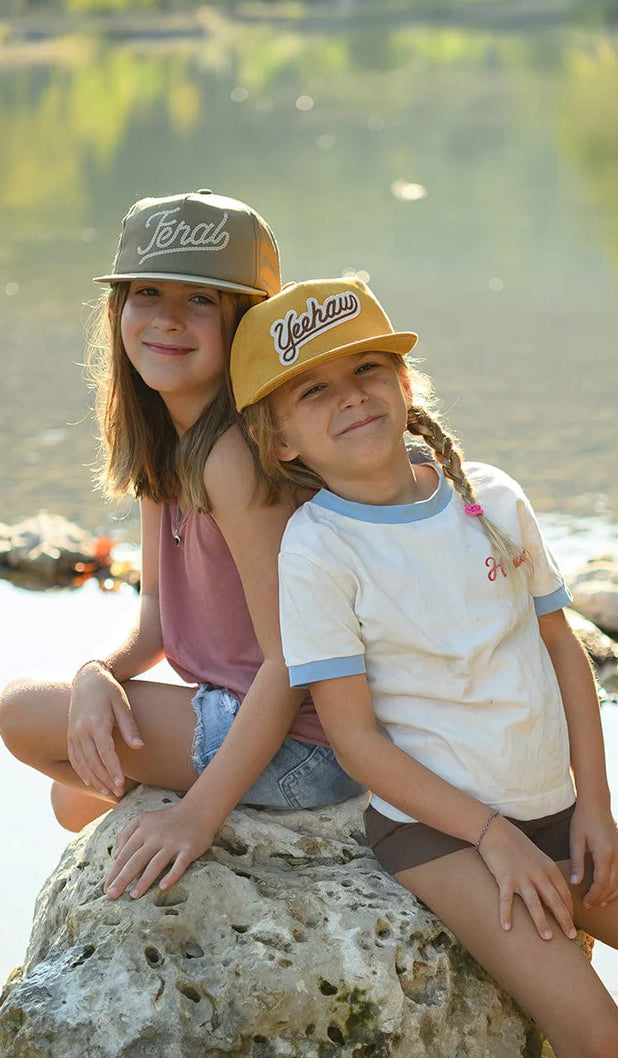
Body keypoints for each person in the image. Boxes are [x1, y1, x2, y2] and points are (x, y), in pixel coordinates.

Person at [229, 276, 618, 1058]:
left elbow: (561, 649)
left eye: (367, 371)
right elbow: (357, 742)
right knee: (598, 1036)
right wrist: (492, 837)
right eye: (314, 390)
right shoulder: (318, 550)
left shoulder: (488, 496)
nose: (350, 397)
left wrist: (597, 809)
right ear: (280, 442)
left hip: (557, 813)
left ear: (404, 384)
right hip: (440, 835)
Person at [0, 195, 362, 902]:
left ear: (247, 323)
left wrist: (198, 816)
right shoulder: (168, 440)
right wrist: (97, 671)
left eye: (200, 299)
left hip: (307, 746)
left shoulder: (235, 453)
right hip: (236, 707)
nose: (167, 319)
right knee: (73, 798)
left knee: (19, 711)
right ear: (118, 312)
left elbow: (294, 658)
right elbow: (159, 615)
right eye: (146, 294)